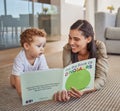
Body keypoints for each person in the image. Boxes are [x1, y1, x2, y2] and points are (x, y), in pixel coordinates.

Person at [53, 20, 108, 102]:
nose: (71, 42)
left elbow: (101, 78)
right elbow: (67, 75)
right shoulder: (67, 48)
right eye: (70, 38)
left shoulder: (99, 47)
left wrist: (84, 90)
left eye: (76, 39)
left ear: (88, 39)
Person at [10, 28, 49, 97]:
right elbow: (18, 78)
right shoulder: (19, 59)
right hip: (21, 77)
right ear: (26, 46)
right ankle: (12, 77)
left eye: (43, 46)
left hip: (33, 76)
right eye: (39, 46)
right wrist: (22, 95)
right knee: (14, 83)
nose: (42, 49)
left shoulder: (41, 56)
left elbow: (45, 73)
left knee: (35, 81)